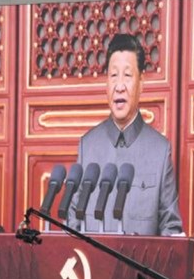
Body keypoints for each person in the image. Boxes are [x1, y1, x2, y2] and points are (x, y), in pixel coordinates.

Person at [67, 33, 183, 236]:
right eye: (113, 76)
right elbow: (73, 222)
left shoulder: (160, 150)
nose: (119, 86)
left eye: (127, 76)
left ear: (141, 83)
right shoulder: (88, 145)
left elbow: (171, 228)